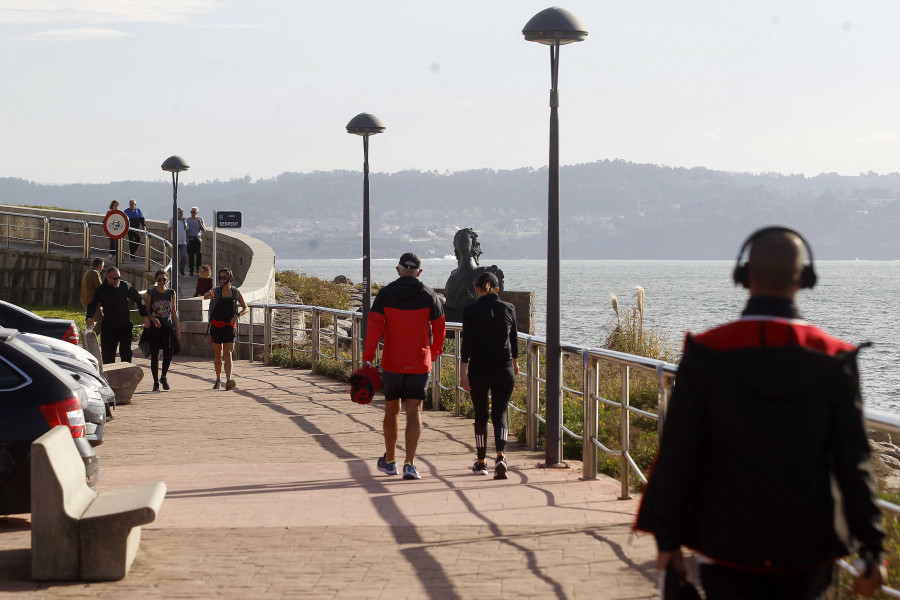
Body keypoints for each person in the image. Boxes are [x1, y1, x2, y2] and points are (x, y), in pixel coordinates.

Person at [635, 226, 885, 599]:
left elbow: (678, 453)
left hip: (726, 543)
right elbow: (853, 461)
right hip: (808, 547)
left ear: (745, 276)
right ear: (805, 278)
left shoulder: (706, 354)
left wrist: (667, 539)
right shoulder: (834, 360)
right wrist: (872, 548)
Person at [363, 252, 446, 481]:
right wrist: (435, 352)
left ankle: (390, 461)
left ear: (398, 269)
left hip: (392, 363)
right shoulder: (430, 295)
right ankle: (410, 464)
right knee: (414, 411)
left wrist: (368, 355)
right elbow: (440, 328)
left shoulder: (386, 294)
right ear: (419, 272)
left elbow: (374, 327)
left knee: (392, 410)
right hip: (420, 363)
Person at [460, 272, 519, 480]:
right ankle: (501, 457)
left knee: (481, 415)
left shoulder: (470, 311)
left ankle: (481, 461)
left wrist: (463, 370)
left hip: (479, 370)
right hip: (504, 369)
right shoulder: (509, 308)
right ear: (497, 289)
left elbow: (467, 343)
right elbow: (514, 340)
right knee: (500, 414)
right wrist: (514, 362)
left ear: (477, 290)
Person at [86, 267, 150, 364]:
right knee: (107, 355)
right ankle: (109, 376)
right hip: (109, 325)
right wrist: (89, 317)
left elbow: (138, 299)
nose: (118, 280)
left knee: (126, 354)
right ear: (107, 277)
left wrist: (144, 315)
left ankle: (126, 375)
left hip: (124, 324)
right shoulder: (101, 289)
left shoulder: (125, 285)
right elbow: (92, 304)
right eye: (115, 278)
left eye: (119, 277)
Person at [443, 228, 504, 324]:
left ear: (473, 243)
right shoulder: (453, 275)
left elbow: (491, 301)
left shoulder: (486, 274)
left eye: (465, 238)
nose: (462, 241)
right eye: (459, 238)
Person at [204, 268, 247, 390]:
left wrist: (237, 315)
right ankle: (218, 378)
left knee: (228, 353)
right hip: (216, 325)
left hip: (230, 326)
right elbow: (205, 296)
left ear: (230, 278)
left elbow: (245, 307)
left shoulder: (235, 292)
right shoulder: (216, 291)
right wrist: (209, 294)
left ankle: (228, 380)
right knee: (218, 354)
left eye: (224, 277)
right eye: (220, 277)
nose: (222, 280)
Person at [144, 269, 180, 392]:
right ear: (156, 280)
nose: (162, 282)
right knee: (155, 354)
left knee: (168, 353)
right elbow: (146, 311)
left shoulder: (171, 293)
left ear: (167, 280)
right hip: (155, 327)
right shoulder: (151, 293)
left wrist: (177, 330)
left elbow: (174, 312)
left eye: (164, 279)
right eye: (159, 279)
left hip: (167, 327)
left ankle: (163, 377)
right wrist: (153, 319)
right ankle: (155, 381)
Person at [167, 207, 188, 277]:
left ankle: (181, 269)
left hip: (183, 241)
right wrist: (169, 239)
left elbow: (187, 230)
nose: (181, 214)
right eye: (180, 212)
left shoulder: (185, 220)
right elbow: (169, 229)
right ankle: (174, 270)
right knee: (175, 257)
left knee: (184, 255)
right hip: (175, 241)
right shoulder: (172, 220)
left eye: (182, 212)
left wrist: (187, 239)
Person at [186, 207, 205, 276]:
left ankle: (198, 270)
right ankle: (191, 270)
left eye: (194, 212)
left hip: (197, 238)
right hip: (190, 238)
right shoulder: (188, 220)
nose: (192, 214)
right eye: (191, 212)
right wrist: (187, 239)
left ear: (197, 213)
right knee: (190, 255)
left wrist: (200, 223)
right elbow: (186, 230)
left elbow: (203, 230)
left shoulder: (200, 219)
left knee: (199, 255)